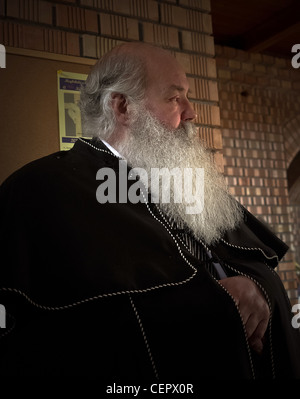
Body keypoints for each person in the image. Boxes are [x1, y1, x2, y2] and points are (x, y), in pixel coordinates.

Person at [0, 42, 300, 380]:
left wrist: (256, 288)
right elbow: (48, 342)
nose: (191, 113)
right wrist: (212, 305)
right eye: (174, 98)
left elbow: (259, 265)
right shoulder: (39, 190)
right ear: (122, 106)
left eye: (187, 97)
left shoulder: (191, 183)